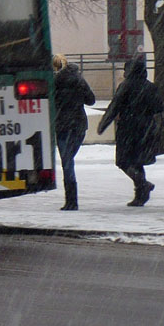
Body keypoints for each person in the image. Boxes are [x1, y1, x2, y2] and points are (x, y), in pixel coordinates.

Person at [97, 53, 164, 206]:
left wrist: (103, 123)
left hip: (128, 128)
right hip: (146, 128)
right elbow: (159, 107)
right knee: (137, 161)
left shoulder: (126, 86)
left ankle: (143, 184)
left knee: (123, 161)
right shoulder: (150, 86)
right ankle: (140, 196)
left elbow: (114, 107)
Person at [52, 54, 95, 210]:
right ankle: (72, 200)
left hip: (62, 125)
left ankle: (71, 200)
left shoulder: (54, 82)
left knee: (67, 162)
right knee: (69, 160)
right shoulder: (79, 80)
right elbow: (91, 100)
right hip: (79, 125)